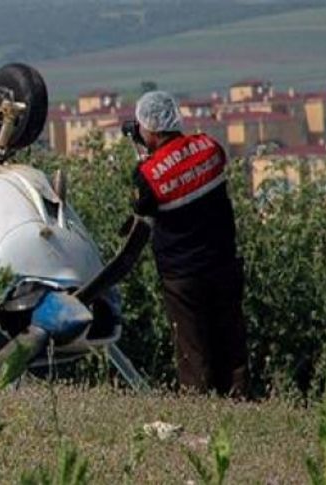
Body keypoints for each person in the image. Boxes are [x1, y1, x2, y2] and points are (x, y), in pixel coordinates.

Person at [127, 91, 248, 396]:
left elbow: (140, 206)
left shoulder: (149, 175)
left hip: (182, 274)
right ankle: (240, 396)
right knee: (230, 338)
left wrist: (144, 162)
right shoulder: (209, 147)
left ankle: (198, 404)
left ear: (151, 130)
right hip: (223, 262)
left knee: (192, 348)